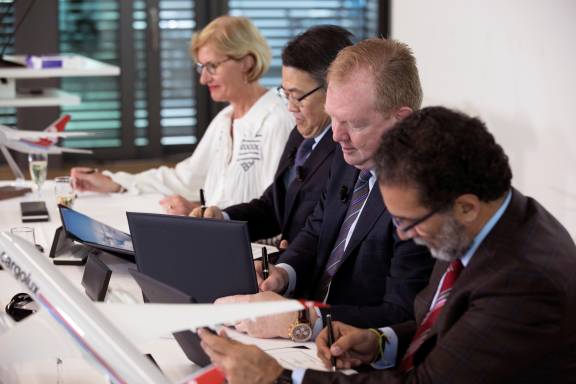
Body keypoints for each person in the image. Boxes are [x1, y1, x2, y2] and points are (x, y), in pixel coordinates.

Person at [198, 106, 576, 384]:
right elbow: (443, 326)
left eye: (408, 222)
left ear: (465, 206)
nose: (402, 234)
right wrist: (382, 342)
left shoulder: (523, 283)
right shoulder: (486, 214)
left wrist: (279, 377)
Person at [214, 38, 433, 340]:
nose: (336, 135)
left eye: (354, 123)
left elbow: (401, 314)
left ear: (402, 120)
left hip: (352, 351)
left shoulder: (424, 194)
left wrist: (303, 319)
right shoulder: (349, 158)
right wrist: (283, 274)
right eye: (333, 118)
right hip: (302, 329)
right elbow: (317, 231)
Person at [70, 16, 294, 215]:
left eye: (212, 66)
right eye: (201, 68)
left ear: (247, 63)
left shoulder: (277, 120)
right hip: (219, 239)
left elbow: (275, 211)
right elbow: (184, 179)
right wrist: (114, 182)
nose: (203, 79)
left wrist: (200, 213)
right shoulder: (225, 120)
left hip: (257, 253)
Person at [190, 25, 352, 249]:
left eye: (297, 97)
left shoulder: (348, 150)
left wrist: (289, 266)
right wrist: (224, 219)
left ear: (333, 90)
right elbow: (273, 207)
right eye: (285, 95)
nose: (290, 107)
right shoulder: (301, 135)